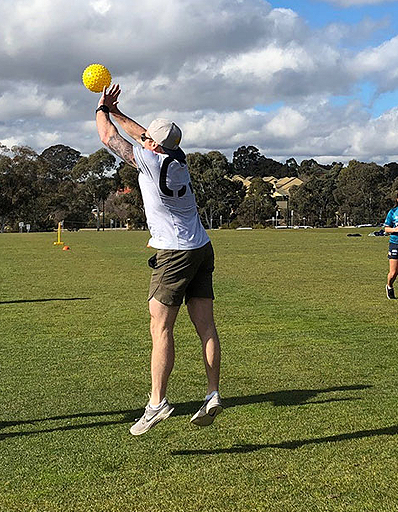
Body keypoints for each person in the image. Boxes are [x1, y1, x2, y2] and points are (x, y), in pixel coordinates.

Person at [95, 84, 222, 435]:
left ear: (154, 145)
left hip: (174, 253)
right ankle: (212, 393)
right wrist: (119, 112)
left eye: (149, 138)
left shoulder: (149, 161)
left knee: (161, 328)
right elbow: (142, 134)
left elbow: (109, 138)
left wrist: (101, 109)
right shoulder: (177, 159)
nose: (145, 139)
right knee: (206, 326)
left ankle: (157, 403)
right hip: (201, 247)